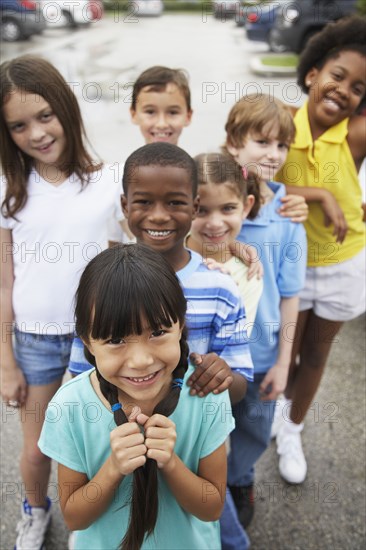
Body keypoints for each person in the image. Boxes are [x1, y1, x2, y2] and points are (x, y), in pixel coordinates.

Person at [0, 55, 125, 550]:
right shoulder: (10, 192)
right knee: (35, 450)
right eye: (18, 125)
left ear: (67, 110)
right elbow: (3, 282)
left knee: (93, 444)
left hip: (94, 343)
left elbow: (131, 258)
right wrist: (5, 359)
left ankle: (93, 518)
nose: (36, 132)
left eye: (45, 115)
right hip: (32, 342)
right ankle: (34, 511)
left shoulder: (109, 181)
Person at [39, 242, 235, 550]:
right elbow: (75, 518)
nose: (141, 360)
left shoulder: (205, 396)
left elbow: (211, 507)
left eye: (157, 333)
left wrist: (171, 463)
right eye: (116, 339)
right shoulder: (70, 407)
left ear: (180, 324)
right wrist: (113, 469)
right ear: (88, 344)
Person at [273, 15, 366, 484]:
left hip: (341, 264)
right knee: (283, 353)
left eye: (358, 87)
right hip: (289, 266)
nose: (344, 90)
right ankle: (273, 412)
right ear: (312, 73)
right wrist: (320, 194)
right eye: (337, 75)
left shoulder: (355, 133)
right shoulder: (278, 124)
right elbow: (245, 177)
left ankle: (291, 428)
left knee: (315, 356)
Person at [220, 93, 307, 547]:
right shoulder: (214, 205)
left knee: (254, 424)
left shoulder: (288, 218)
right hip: (212, 354)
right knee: (211, 424)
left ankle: (239, 478)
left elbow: (290, 296)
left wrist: (282, 362)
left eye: (281, 145)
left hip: (262, 351)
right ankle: (206, 482)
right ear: (234, 144)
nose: (273, 154)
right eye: (261, 141)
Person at [186, 152, 264, 333]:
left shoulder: (247, 275)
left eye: (228, 208)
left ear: (246, 207)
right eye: (201, 210)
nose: (215, 223)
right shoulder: (162, 249)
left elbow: (233, 345)